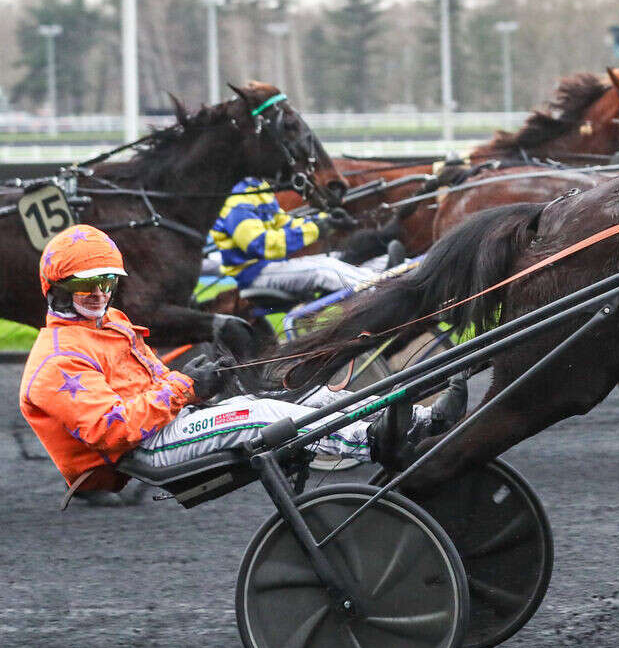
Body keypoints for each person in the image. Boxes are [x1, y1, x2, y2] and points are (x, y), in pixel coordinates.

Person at [19, 225, 466, 507]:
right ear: (57, 289)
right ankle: (375, 440)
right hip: (142, 451)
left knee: (307, 399)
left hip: (170, 424)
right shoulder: (58, 361)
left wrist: (201, 382)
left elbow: (155, 385)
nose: (98, 294)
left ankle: (422, 422)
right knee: (262, 416)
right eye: (84, 286)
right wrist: (184, 387)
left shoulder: (110, 322)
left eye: (106, 282)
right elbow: (113, 429)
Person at [209, 177, 378, 297]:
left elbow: (284, 223)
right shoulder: (236, 198)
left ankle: (380, 279)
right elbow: (261, 244)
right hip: (254, 273)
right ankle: (379, 292)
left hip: (273, 266)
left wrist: (326, 221)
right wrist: (317, 229)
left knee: (334, 260)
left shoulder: (256, 186)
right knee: (325, 270)